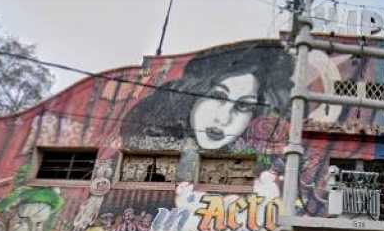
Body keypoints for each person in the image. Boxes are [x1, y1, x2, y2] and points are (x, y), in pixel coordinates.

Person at [120, 44, 292, 151]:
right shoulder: (147, 141)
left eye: (243, 106)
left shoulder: (254, 163)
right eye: (218, 96)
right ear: (192, 94)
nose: (223, 119)